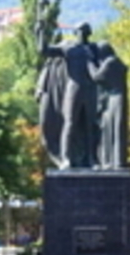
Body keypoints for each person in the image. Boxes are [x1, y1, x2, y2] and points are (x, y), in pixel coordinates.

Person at [37, 22, 99, 169]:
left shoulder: (94, 49)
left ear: (89, 33)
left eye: (85, 31)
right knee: (69, 123)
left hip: (90, 90)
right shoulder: (68, 48)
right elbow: (43, 50)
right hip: (73, 89)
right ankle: (66, 159)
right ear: (76, 32)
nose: (82, 34)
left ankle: (92, 159)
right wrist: (40, 32)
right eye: (80, 31)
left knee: (90, 126)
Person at [89, 41, 128, 169]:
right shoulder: (115, 62)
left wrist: (88, 63)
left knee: (116, 128)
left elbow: (97, 77)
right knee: (110, 128)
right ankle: (112, 160)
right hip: (114, 97)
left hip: (116, 98)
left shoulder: (111, 62)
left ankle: (117, 161)